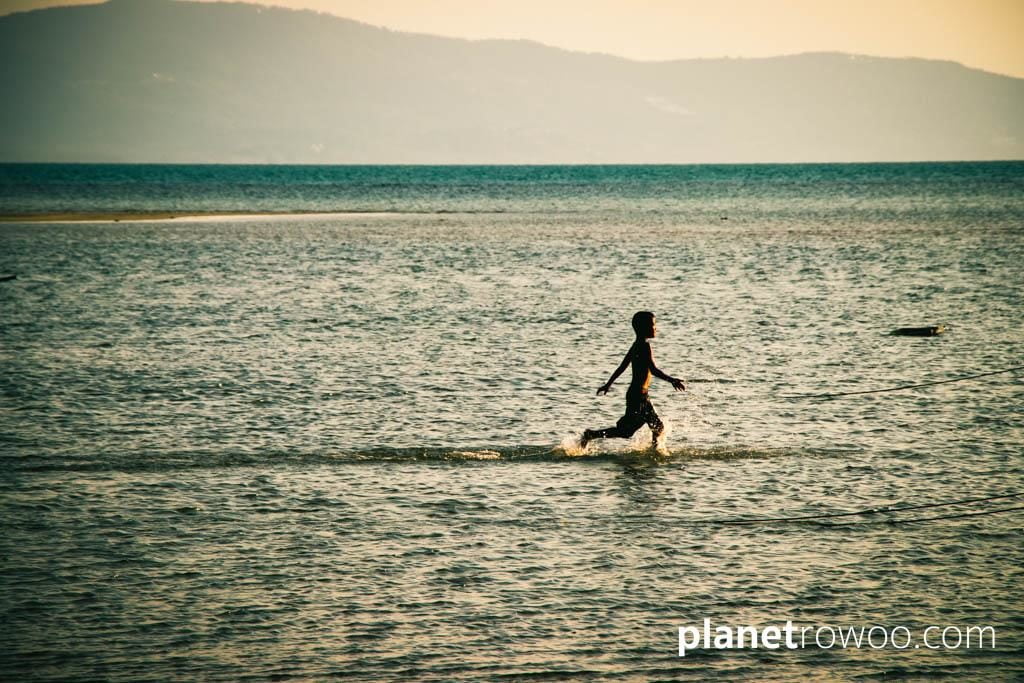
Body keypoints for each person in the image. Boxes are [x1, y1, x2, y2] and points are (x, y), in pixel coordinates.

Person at [580, 311, 685, 449]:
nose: (655, 328)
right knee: (626, 432)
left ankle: (654, 451)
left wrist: (608, 384)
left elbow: (622, 367)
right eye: (653, 325)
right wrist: (672, 380)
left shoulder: (636, 344)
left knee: (657, 427)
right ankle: (591, 435)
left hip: (640, 395)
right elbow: (653, 370)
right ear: (643, 328)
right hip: (638, 396)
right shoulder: (644, 346)